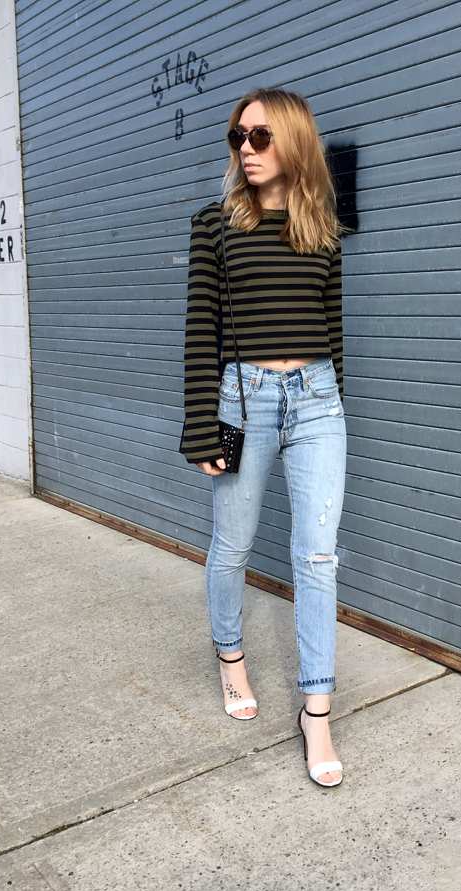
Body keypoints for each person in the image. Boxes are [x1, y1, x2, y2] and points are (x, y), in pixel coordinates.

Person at [180, 88, 346, 788]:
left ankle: (317, 711)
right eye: (237, 137)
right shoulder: (214, 226)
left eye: (260, 137)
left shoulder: (322, 229)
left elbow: (334, 332)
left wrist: (338, 409)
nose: (245, 149)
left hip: (318, 402)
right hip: (243, 400)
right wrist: (199, 424)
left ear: (293, 142)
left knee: (316, 558)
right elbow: (200, 331)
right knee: (234, 546)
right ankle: (230, 658)